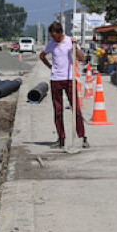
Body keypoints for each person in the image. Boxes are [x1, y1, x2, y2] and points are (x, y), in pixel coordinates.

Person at [38, 21, 88, 149]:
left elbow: (82, 58)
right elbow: (42, 56)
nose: (54, 38)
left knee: (75, 109)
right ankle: (61, 138)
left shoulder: (70, 42)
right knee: (58, 110)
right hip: (56, 79)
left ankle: (82, 137)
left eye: (55, 36)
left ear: (61, 33)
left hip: (69, 78)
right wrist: (50, 67)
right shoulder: (51, 44)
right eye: (52, 36)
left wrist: (75, 47)